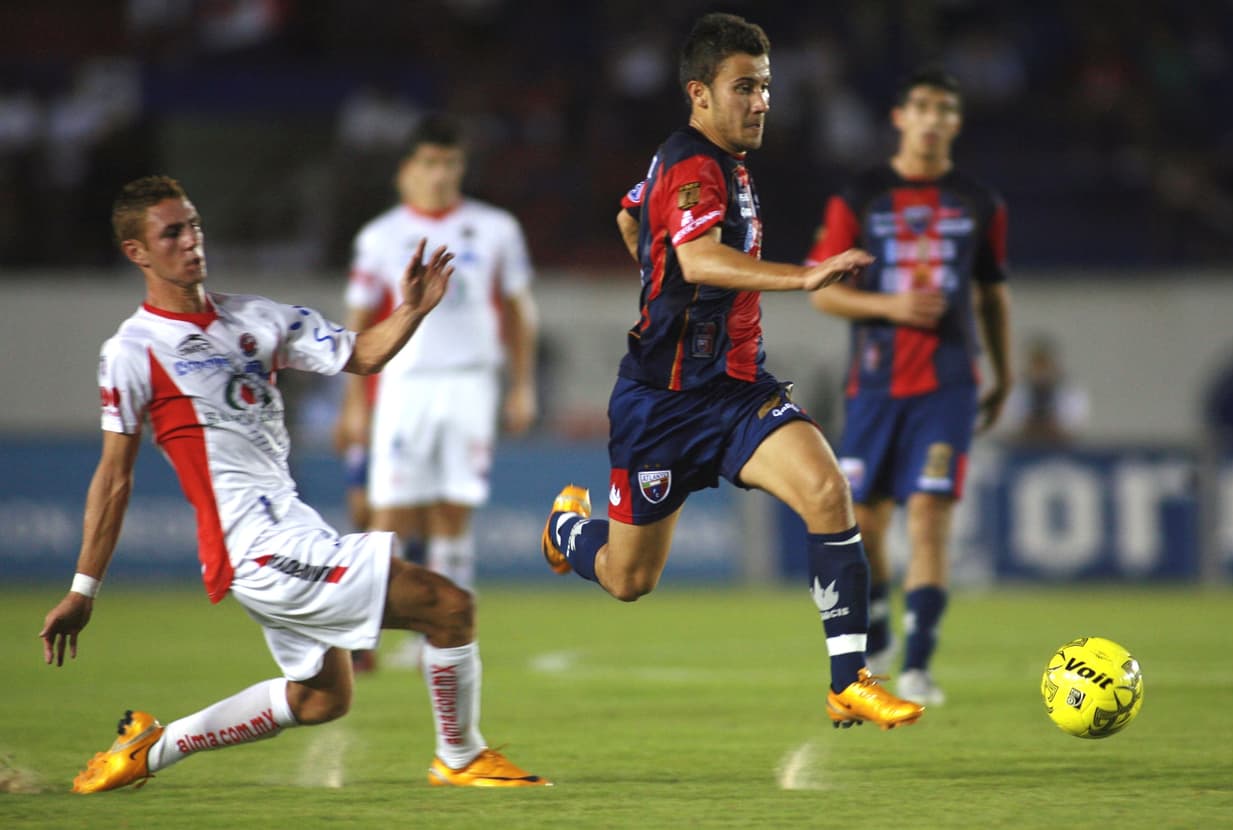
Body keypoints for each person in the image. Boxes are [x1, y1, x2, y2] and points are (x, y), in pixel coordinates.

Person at [39, 175, 548, 792]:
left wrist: (410, 308)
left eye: (193, 224)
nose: (191, 240)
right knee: (448, 606)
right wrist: (83, 589)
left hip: (292, 527)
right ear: (137, 253)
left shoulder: (256, 319)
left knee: (321, 699)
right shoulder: (133, 350)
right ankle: (461, 756)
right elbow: (113, 478)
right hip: (252, 546)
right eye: (171, 232)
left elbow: (362, 354)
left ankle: (152, 747)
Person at [539, 12, 924, 732]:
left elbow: (631, 216)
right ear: (699, 94)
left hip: (736, 392)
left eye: (766, 86)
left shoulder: (717, 166)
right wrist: (803, 277)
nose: (761, 102)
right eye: (744, 86)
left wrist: (654, 270)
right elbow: (699, 259)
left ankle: (850, 680)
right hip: (660, 403)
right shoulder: (693, 164)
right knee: (629, 578)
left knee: (826, 489)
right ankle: (567, 532)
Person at [805, 66, 1014, 705]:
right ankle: (881, 636)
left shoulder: (980, 202)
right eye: (920, 105)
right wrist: (891, 308)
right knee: (865, 523)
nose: (932, 118)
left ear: (955, 122)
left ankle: (919, 668)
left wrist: (1002, 375)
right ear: (899, 117)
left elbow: (991, 294)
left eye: (944, 109)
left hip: (947, 382)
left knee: (928, 517)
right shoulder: (859, 196)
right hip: (873, 384)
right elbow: (822, 293)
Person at [336, 112, 538, 596]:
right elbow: (357, 324)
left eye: (450, 163)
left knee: (454, 510)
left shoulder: (496, 228)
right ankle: (371, 623)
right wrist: (354, 402)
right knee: (390, 512)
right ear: (409, 168)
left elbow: (518, 311)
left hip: (472, 380)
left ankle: (445, 629)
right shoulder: (379, 236)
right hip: (406, 382)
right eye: (430, 163)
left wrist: (522, 386)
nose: (440, 174)